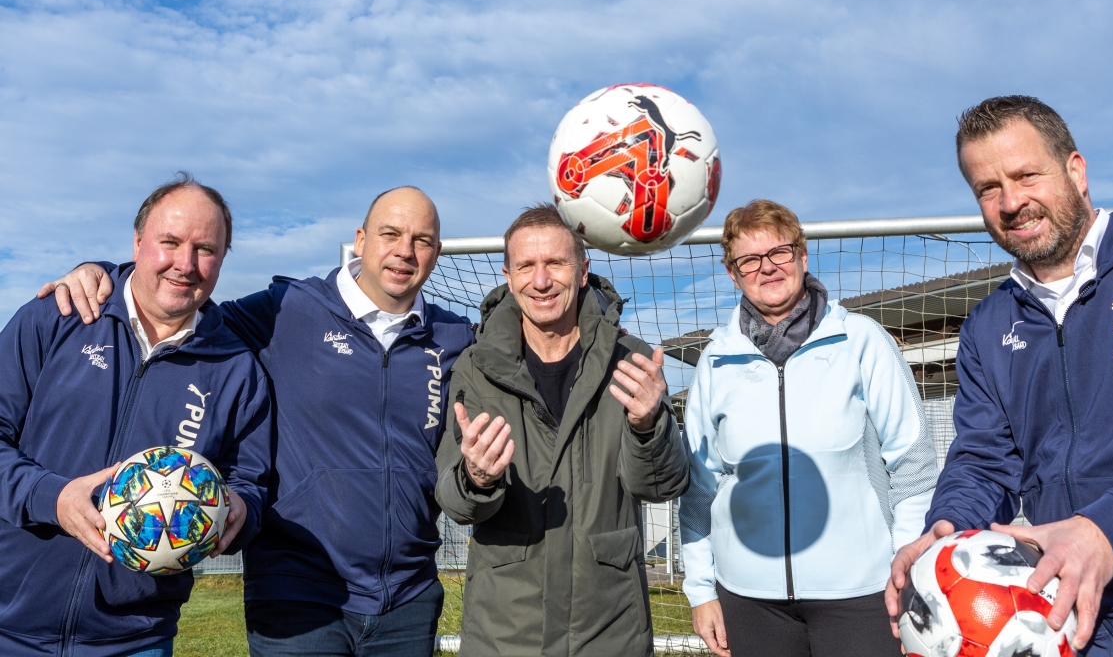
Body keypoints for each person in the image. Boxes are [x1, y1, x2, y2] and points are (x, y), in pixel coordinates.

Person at [41, 186, 474, 657]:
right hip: (298, 592)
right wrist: (103, 275)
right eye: (390, 233)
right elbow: (181, 299)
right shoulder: (288, 308)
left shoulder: (453, 336)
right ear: (361, 240)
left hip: (408, 597)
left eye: (422, 240)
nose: (405, 251)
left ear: (436, 253)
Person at [885, 96, 1113, 656]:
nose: (1011, 202)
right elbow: (985, 459)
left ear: (1075, 171)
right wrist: (948, 529)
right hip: (1057, 623)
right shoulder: (988, 326)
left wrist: (1105, 529)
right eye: (988, 188)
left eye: (1026, 175)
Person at [0, 175, 271, 657]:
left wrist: (241, 511)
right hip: (9, 625)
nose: (185, 264)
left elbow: (250, 480)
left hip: (135, 638)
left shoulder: (237, 369)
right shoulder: (57, 317)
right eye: (171, 242)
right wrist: (52, 498)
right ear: (138, 241)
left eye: (205, 249)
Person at [679, 199, 938, 657]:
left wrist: (907, 568)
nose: (767, 267)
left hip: (862, 593)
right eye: (749, 260)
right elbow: (700, 486)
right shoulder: (716, 361)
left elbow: (913, 465)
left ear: (802, 255)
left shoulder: (861, 340)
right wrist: (701, 590)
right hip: (750, 599)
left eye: (779, 252)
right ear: (733, 274)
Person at [434, 203, 689, 657]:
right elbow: (455, 504)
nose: (541, 280)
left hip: (609, 630)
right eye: (526, 266)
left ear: (583, 270)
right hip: (505, 633)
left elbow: (660, 486)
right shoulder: (475, 367)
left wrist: (648, 427)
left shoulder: (632, 361)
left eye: (555, 263)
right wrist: (476, 479)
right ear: (508, 275)